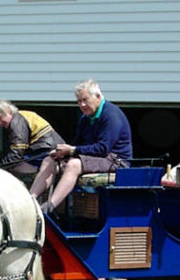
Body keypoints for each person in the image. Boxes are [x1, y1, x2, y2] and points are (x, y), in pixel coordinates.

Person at [29, 78, 133, 213]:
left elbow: (103, 149)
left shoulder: (111, 115)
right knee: (49, 160)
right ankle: (30, 201)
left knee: (74, 165)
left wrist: (71, 150)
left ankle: (49, 208)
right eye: (79, 101)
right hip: (94, 157)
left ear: (98, 96)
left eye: (85, 100)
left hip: (116, 160)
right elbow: (77, 143)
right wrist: (62, 153)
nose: (82, 105)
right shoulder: (85, 118)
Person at [0, 100, 65, 174]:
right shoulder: (22, 115)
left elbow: (18, 149)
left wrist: (2, 167)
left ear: (8, 111)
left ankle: (38, 176)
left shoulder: (17, 122)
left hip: (45, 150)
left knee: (14, 165)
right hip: (50, 147)